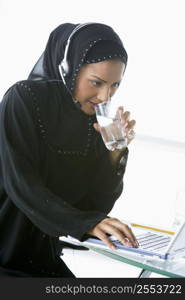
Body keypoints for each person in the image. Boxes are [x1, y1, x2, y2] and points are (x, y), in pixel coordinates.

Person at [0, 22, 137, 277]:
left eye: (114, 85)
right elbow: (21, 185)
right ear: (69, 69)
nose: (105, 96)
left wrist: (114, 153)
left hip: (43, 262)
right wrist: (86, 222)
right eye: (96, 82)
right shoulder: (23, 99)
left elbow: (93, 207)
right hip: (5, 260)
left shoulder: (94, 120)